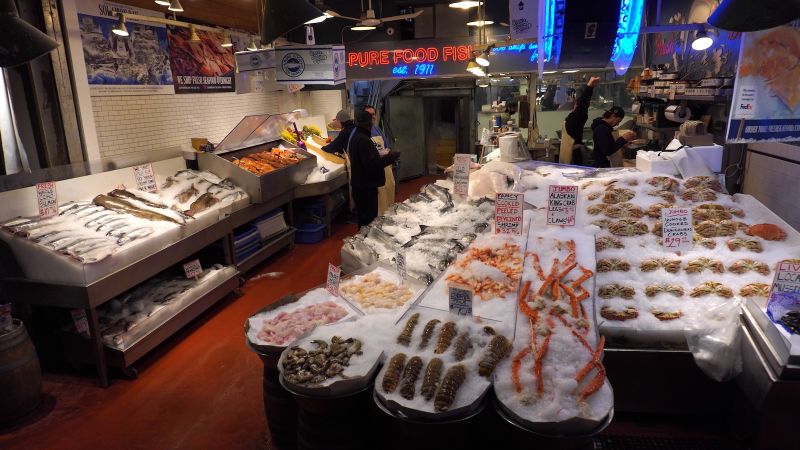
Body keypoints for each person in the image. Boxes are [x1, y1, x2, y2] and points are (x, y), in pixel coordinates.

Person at [348, 110, 400, 227]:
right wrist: (392, 157)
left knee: (364, 220)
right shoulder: (364, 140)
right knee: (368, 222)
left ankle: (362, 241)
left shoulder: (356, 137)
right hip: (366, 188)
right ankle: (365, 242)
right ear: (370, 124)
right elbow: (372, 166)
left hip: (360, 186)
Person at [559, 77, 600, 165]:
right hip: (572, 152)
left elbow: (583, 102)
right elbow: (582, 102)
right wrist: (590, 85)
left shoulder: (578, 115)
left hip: (575, 153)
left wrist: (590, 85)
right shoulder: (574, 115)